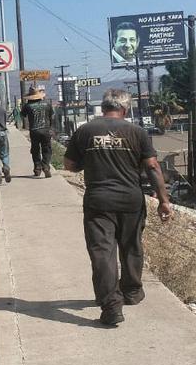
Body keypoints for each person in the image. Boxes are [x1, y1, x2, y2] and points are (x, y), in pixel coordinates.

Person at [63, 88, 172, 327]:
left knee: (102, 252)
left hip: (98, 202)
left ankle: (111, 305)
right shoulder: (137, 132)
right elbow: (153, 167)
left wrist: (89, 160)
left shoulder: (85, 131)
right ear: (125, 109)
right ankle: (131, 292)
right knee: (131, 246)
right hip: (131, 200)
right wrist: (163, 200)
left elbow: (69, 165)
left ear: (103, 108)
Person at [22, 86, 55, 177]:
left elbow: (23, 115)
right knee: (47, 149)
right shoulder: (47, 104)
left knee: (35, 150)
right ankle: (46, 166)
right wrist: (51, 128)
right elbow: (51, 117)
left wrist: (27, 103)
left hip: (34, 131)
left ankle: (37, 168)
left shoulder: (28, 106)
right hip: (46, 130)